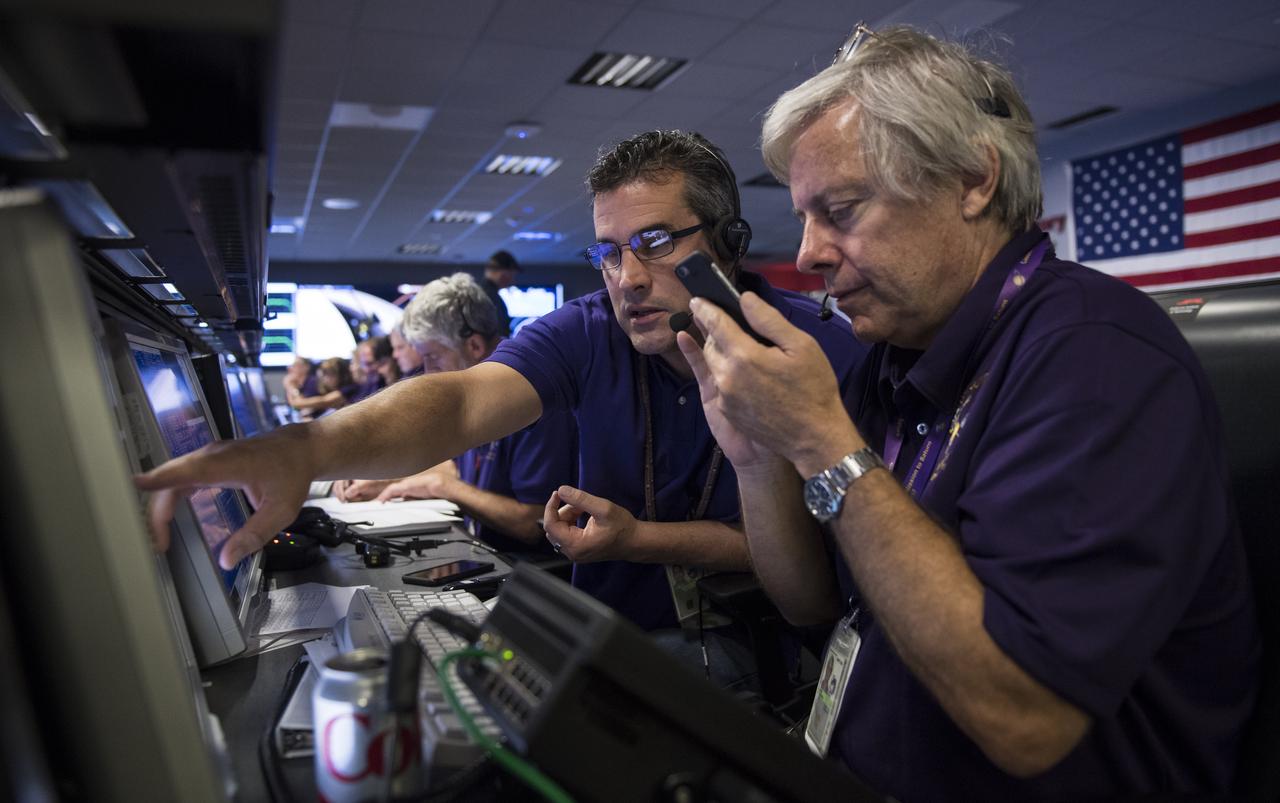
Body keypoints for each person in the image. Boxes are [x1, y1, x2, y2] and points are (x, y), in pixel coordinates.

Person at [676, 24, 1259, 801]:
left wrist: (821, 440)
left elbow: (1026, 715)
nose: (808, 252)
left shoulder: (1093, 357)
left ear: (973, 180)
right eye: (804, 217)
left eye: (840, 209)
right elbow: (812, 600)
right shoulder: (895, 356)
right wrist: (758, 458)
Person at [135, 130, 865, 665]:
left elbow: (817, 573)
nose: (627, 277)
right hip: (608, 639)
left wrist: (639, 539)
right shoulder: (591, 330)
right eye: (608, 252)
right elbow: (457, 403)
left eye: (654, 241)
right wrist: (311, 445)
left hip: (758, 652)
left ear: (729, 242)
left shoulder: (824, 352)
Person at [368, 273, 575, 556]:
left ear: (474, 346)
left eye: (433, 357)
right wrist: (385, 478)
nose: (428, 371)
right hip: (483, 554)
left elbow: (535, 525)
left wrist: (444, 487)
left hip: (525, 570)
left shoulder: (533, 400)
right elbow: (460, 469)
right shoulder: (473, 399)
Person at [481, 250, 519, 337]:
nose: (512, 279)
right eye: (512, 274)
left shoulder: (481, 294)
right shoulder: (490, 297)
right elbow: (498, 334)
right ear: (503, 273)